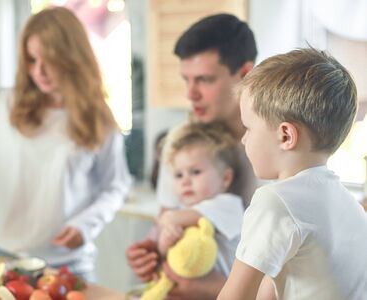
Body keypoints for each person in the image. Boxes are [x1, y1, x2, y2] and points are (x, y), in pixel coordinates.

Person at [0, 7, 131, 280]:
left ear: (73, 58)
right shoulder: (1, 105)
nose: (38, 71)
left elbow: (116, 186)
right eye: (31, 60)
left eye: (50, 60)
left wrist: (85, 225)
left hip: (67, 266)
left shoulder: (99, 120)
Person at [218, 48, 367, 300]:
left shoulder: (276, 201)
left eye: (248, 128)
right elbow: (272, 284)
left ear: (285, 136)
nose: (243, 139)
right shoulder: (347, 203)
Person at [126, 13, 257, 299]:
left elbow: (295, 268)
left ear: (246, 75)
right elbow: (167, 217)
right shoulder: (179, 142)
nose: (190, 94)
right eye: (186, 80)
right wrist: (150, 248)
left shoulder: (278, 148)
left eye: (204, 80)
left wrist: (220, 289)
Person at [155, 121, 244, 274]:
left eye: (195, 172)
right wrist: (165, 242)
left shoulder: (228, 205)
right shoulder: (184, 211)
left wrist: (164, 221)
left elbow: (169, 218)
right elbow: (165, 255)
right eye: (178, 175)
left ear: (225, 178)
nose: (185, 181)